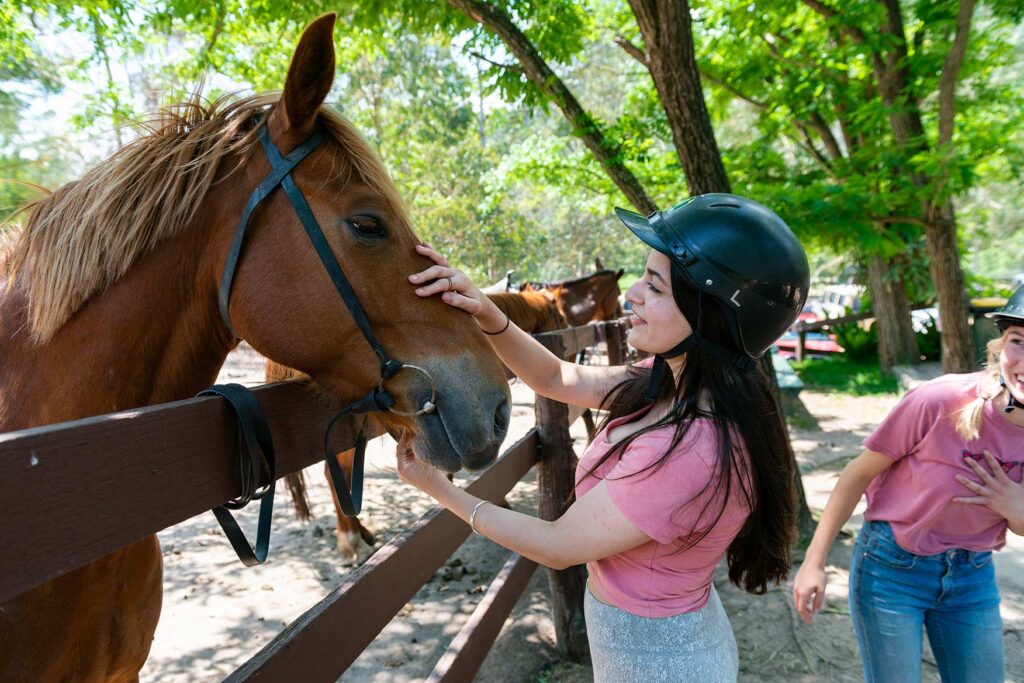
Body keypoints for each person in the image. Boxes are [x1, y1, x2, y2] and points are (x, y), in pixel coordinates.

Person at [397, 194, 810, 681]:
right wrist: (486, 313)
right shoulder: (673, 383)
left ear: (708, 314)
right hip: (650, 642)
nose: (632, 293)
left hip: (661, 662)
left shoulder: (695, 446)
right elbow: (556, 378)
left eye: (654, 287)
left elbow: (556, 544)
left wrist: (441, 490)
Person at [792, 285, 1024, 683]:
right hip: (892, 569)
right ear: (1000, 345)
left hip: (972, 575)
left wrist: (1015, 506)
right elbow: (857, 475)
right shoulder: (940, 400)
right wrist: (813, 563)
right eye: (1019, 341)